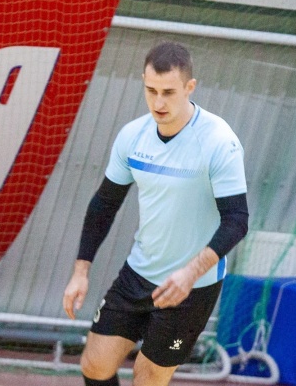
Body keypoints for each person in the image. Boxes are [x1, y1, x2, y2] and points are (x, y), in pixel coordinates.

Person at [63, 41, 249, 386]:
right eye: (151, 91)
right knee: (95, 365)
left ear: (189, 87)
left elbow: (237, 220)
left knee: (148, 378)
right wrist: (80, 271)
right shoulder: (133, 136)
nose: (158, 103)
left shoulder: (218, 141)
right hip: (138, 274)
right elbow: (104, 204)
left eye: (168, 92)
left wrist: (189, 274)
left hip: (192, 287)